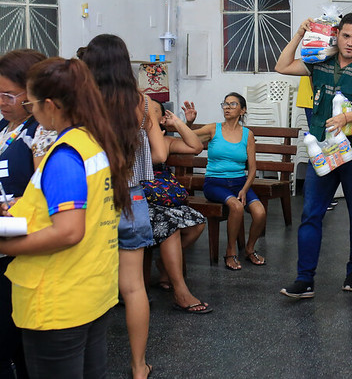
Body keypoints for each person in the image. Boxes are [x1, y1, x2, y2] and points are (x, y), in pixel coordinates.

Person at [0, 57, 129, 378]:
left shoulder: (64, 154)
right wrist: (23, 207)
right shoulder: (92, 142)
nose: (30, 111)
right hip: (90, 292)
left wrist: (7, 246)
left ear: (50, 105)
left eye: (29, 104)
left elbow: (69, 230)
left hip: (57, 301)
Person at [275, 12, 352, 298]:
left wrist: (348, 117)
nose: (350, 43)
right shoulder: (319, 61)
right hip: (322, 152)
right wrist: (300, 35)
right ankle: (305, 279)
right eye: (346, 36)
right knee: (311, 214)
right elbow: (282, 66)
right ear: (337, 34)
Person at [81, 34, 166, 379]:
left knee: (88, 282)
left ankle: (85, 363)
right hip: (131, 200)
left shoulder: (81, 103)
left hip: (89, 202)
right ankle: (138, 366)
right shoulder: (143, 104)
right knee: (133, 288)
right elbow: (160, 156)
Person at [0, 49, 56, 379]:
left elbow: (51, 201)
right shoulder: (4, 128)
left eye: (8, 94)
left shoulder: (43, 134)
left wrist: (14, 205)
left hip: (24, 251)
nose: (2, 101)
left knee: (14, 344)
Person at [144, 100, 210, 313]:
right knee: (170, 226)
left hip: (165, 198)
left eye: (153, 111)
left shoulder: (165, 141)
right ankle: (179, 288)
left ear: (162, 119)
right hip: (142, 199)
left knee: (197, 223)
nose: (147, 112)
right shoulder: (133, 139)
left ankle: (166, 263)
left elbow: (196, 147)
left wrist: (179, 123)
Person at [194, 92, 265, 271]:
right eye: (225, 104)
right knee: (236, 206)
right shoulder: (213, 129)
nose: (227, 107)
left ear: (242, 110)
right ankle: (230, 251)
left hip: (240, 182)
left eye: (233, 104)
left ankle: (249, 248)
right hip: (215, 183)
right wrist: (188, 122)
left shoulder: (247, 135)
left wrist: (244, 189)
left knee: (260, 212)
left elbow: (253, 168)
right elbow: (188, 136)